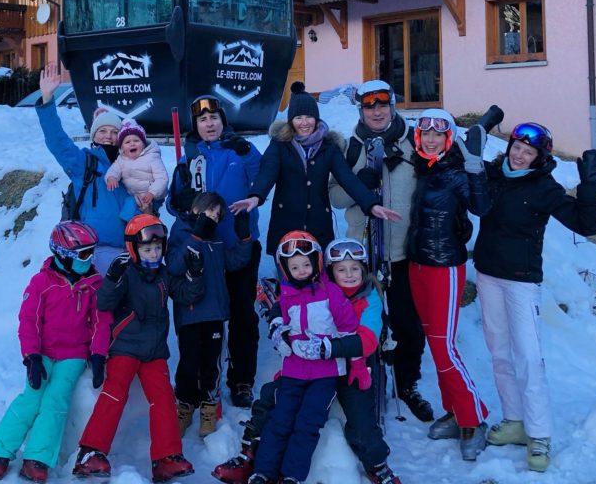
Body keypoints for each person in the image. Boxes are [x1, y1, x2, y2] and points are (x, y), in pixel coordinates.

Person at [212, 237, 401, 484]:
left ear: (364, 270)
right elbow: (285, 303)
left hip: (350, 365)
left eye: (355, 268)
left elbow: (365, 341)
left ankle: (377, 465)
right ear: (329, 270)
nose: (349, 275)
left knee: (360, 415)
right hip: (310, 366)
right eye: (341, 269)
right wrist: (278, 326)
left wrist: (326, 348)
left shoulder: (369, 298)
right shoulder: (316, 287)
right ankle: (249, 455)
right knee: (271, 397)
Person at [474, 123, 596, 473]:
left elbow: (585, 225)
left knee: (529, 357)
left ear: (538, 158)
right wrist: (479, 130)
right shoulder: (493, 174)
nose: (518, 155)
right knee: (499, 352)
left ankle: (539, 434)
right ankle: (514, 421)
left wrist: (589, 186)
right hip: (487, 275)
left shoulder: (543, 187)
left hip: (521, 282)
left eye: (527, 152)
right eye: (516, 147)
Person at [329, 80, 433, 422]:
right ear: (360, 110)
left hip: (403, 250)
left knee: (408, 324)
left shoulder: (415, 142)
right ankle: (361, 381)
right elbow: (335, 197)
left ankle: (408, 384)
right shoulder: (351, 148)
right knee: (362, 323)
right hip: (362, 257)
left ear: (392, 106)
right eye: (369, 106)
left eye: (382, 105)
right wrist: (363, 182)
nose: (377, 112)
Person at [72, 214, 204, 482]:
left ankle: (166, 458)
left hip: (154, 352)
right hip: (126, 347)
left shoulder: (164, 274)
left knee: (164, 397)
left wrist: (195, 274)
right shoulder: (127, 273)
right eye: (147, 249)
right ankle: (91, 452)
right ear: (134, 249)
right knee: (115, 392)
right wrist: (112, 278)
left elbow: (187, 295)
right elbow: (104, 303)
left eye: (157, 248)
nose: (153, 254)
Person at [0, 221, 111, 483]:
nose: (90, 259)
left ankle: (37, 459)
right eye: (84, 254)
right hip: (42, 352)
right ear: (64, 255)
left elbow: (101, 321)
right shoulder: (42, 282)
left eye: (92, 252)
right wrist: (31, 356)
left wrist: (98, 355)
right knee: (32, 397)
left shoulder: (94, 284)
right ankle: (0, 450)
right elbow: (28, 319)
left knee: (56, 400)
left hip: (73, 354)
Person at [167, 94, 263, 408]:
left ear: (223, 120)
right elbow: (173, 204)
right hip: (203, 247)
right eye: (203, 120)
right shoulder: (190, 156)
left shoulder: (241, 151)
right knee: (203, 317)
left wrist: (247, 153)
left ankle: (242, 379)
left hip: (237, 243)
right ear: (196, 125)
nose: (209, 124)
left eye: (214, 118)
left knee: (242, 314)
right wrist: (179, 196)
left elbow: (262, 183)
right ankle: (198, 377)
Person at [406, 109, 492, 462]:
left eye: (437, 135)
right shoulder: (422, 167)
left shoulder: (457, 172)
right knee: (434, 344)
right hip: (417, 265)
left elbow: (481, 206)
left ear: (448, 138)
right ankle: (454, 411)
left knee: (445, 347)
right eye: (425, 134)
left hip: (445, 268)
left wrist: (475, 167)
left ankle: (474, 417)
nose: (430, 139)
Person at [232, 82, 401, 255]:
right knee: (288, 278)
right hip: (286, 226)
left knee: (320, 280)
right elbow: (267, 173)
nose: (304, 123)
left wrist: (370, 204)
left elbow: (347, 179)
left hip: (318, 226)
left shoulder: (329, 147)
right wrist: (255, 196)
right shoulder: (279, 146)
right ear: (291, 121)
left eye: (309, 117)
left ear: (316, 118)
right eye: (298, 118)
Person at [248, 231, 359, 484]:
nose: (300, 271)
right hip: (294, 371)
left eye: (306, 264)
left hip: (325, 374)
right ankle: (263, 471)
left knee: (307, 424)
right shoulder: (286, 297)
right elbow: (278, 322)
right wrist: (280, 336)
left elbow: (348, 328)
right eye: (294, 266)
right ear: (285, 269)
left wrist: (327, 346)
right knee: (280, 419)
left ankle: (292, 475)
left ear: (317, 263)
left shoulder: (331, 293)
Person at [36, 64, 140, 275]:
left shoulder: (131, 165)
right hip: (88, 253)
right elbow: (57, 141)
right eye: (102, 130)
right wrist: (47, 101)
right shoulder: (84, 162)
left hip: (126, 252)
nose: (108, 136)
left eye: (114, 131)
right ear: (93, 136)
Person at [166, 192, 253, 436]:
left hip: (215, 312)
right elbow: (174, 265)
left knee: (211, 364)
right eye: (209, 212)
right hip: (190, 313)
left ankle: (208, 406)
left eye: (217, 215)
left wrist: (245, 239)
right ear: (196, 209)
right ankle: (184, 405)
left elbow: (234, 262)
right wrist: (195, 237)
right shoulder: (181, 232)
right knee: (189, 362)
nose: (213, 218)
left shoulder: (216, 238)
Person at [105, 119, 169, 214]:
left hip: (152, 195)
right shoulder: (121, 160)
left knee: (146, 213)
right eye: (127, 142)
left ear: (143, 143)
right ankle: (130, 226)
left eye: (136, 140)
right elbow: (113, 170)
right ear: (122, 147)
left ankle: (150, 222)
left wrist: (152, 193)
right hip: (132, 196)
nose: (132, 144)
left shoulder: (152, 157)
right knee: (127, 213)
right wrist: (111, 177)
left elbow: (162, 178)